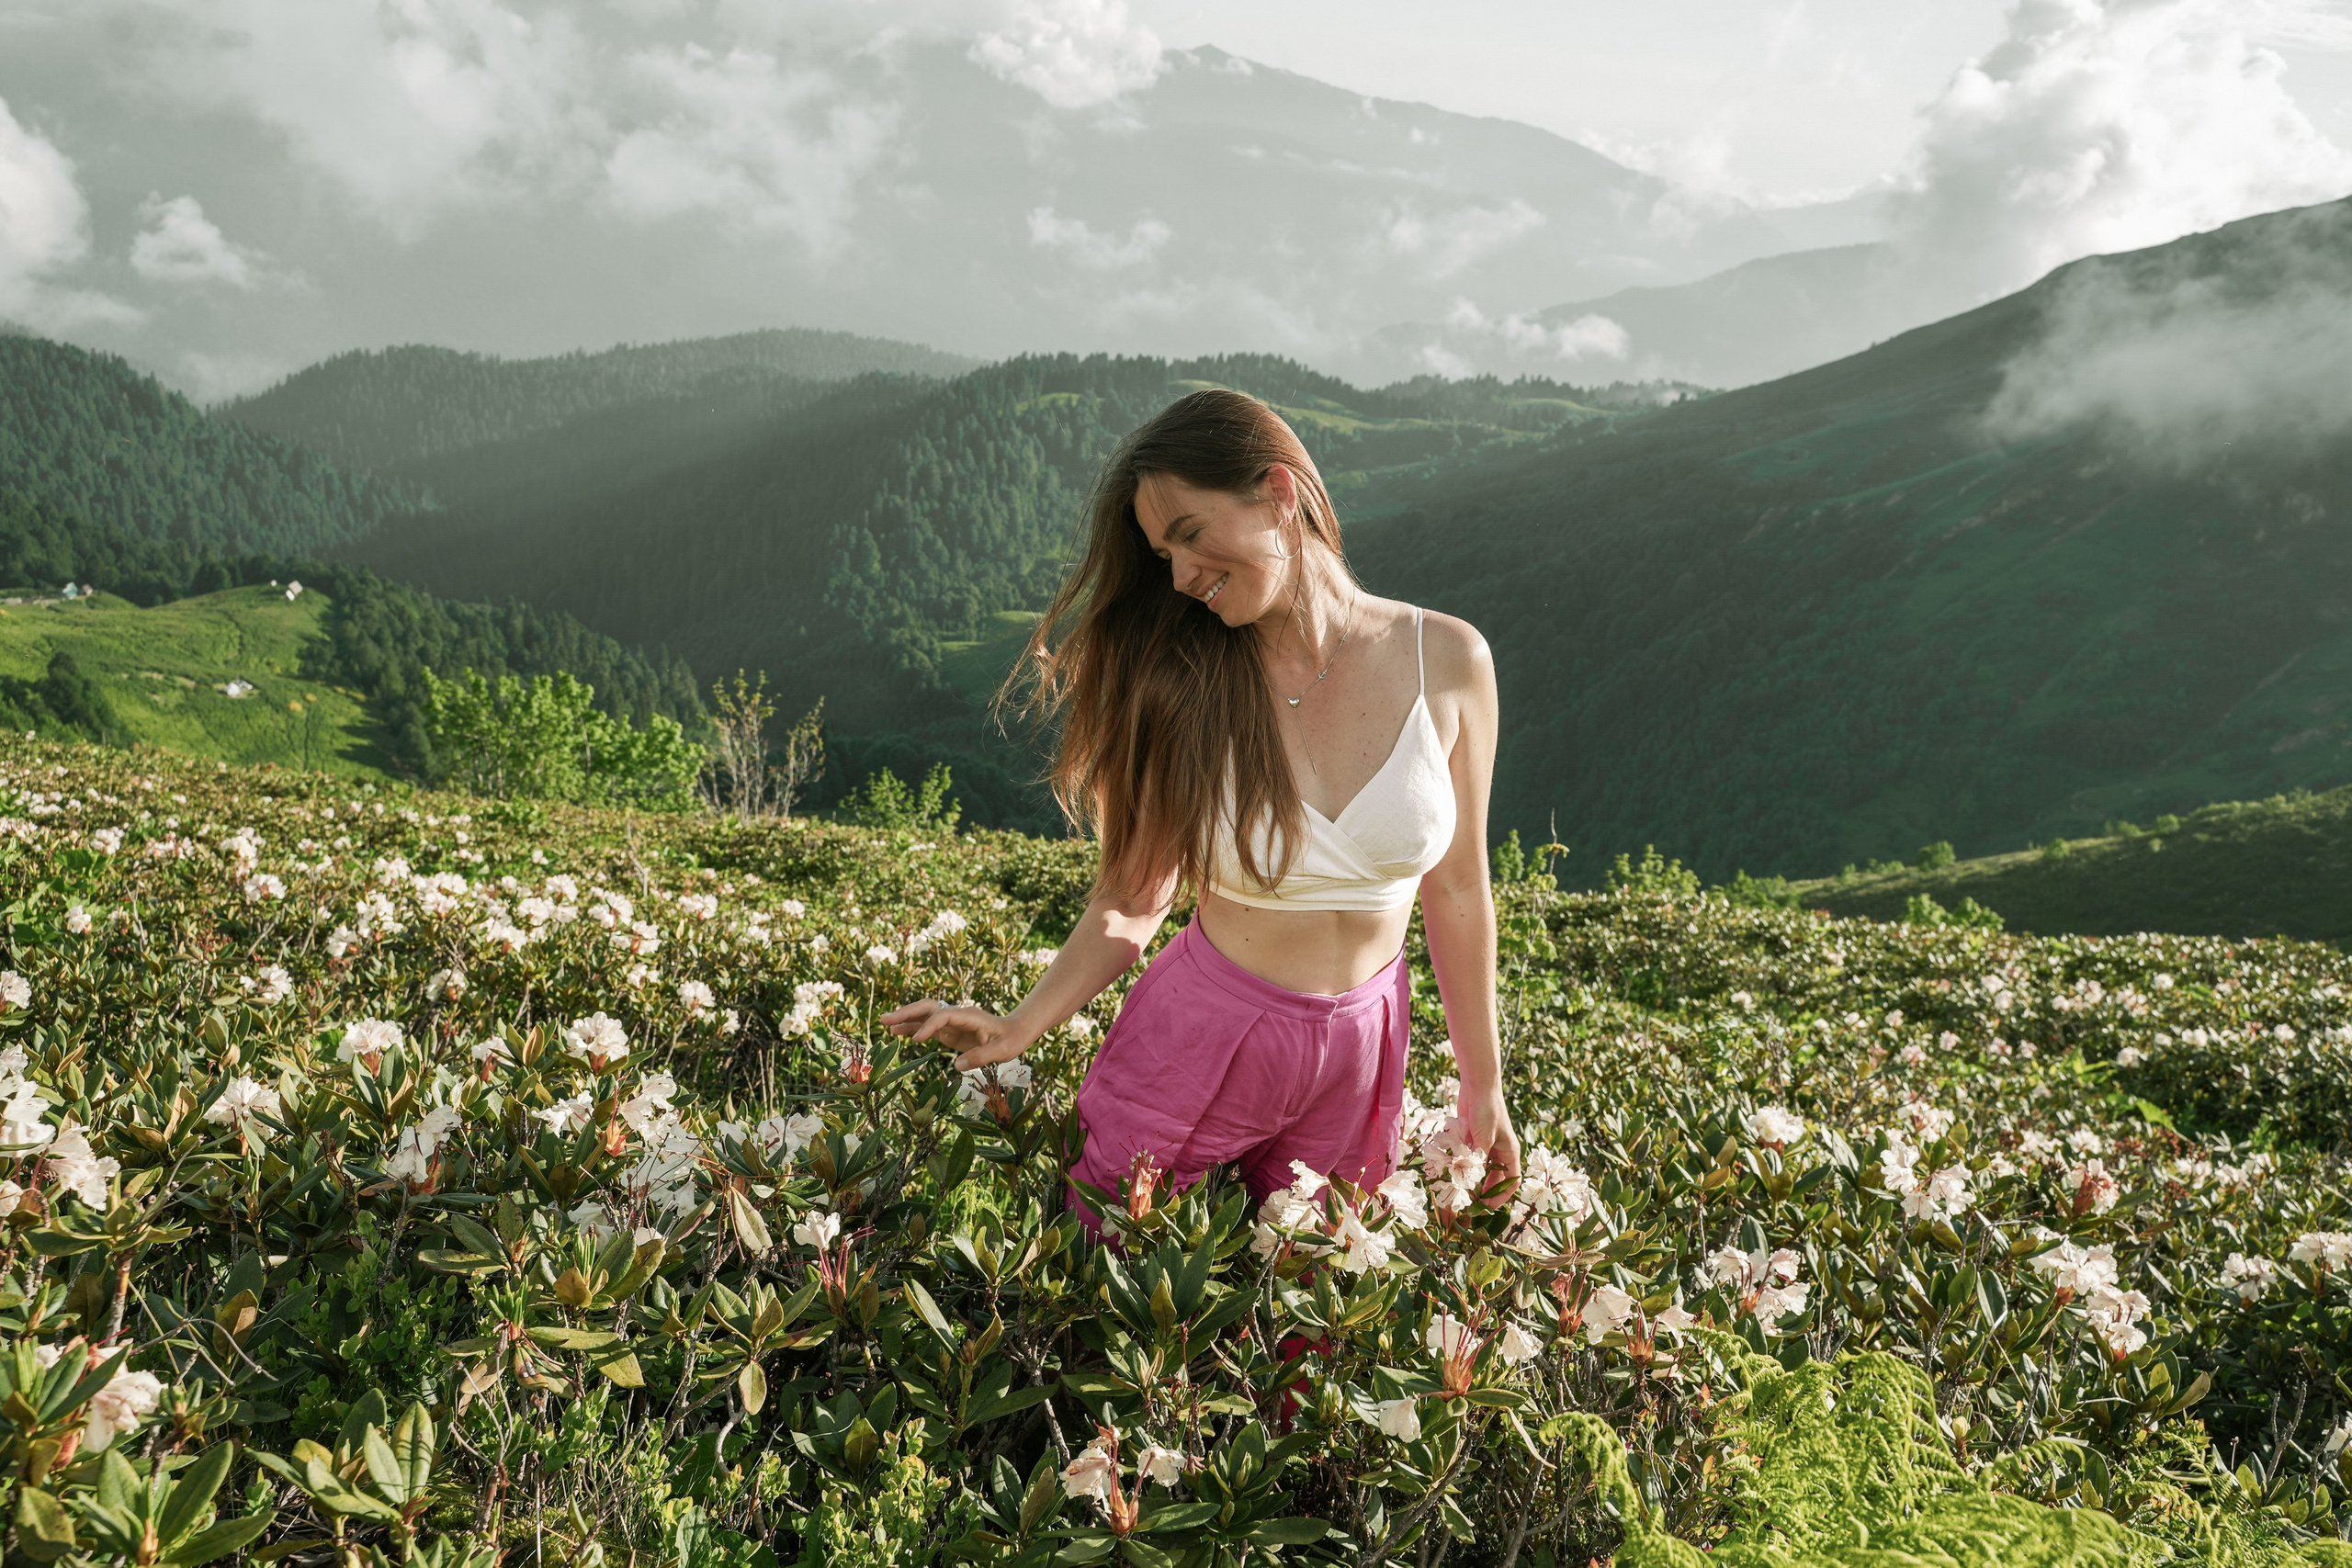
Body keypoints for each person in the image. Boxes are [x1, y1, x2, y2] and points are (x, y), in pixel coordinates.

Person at [883, 388, 1518, 1233]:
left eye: (1188, 534)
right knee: (1113, 1269)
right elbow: (1131, 899)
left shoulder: (1449, 660)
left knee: (1313, 1319)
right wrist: (1021, 1023)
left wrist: (1485, 1085)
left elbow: (1461, 891)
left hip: (1365, 1048)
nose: (1180, 578)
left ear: (1278, 493)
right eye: (1161, 555)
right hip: (1199, 1036)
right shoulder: (1183, 683)